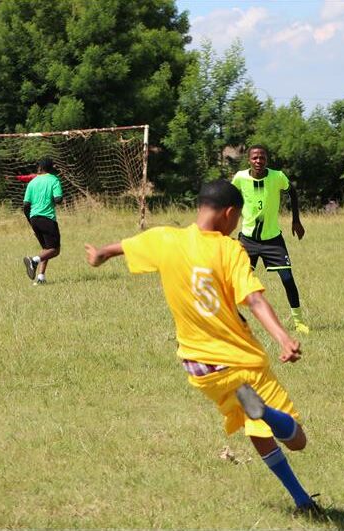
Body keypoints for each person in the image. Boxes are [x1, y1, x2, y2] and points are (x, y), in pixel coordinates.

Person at [84, 179, 320, 514]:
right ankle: (265, 412)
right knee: (297, 440)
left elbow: (117, 248)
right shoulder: (229, 250)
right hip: (241, 363)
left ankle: (302, 500)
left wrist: (98, 255)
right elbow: (253, 299)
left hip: (200, 368)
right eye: (237, 219)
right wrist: (284, 337)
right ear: (229, 213)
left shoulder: (165, 239)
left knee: (255, 431)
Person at [232, 145, 309, 334]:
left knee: (288, 278)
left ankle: (299, 322)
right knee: (237, 281)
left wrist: (296, 220)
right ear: (249, 160)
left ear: (267, 159)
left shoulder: (277, 177)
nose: (258, 161)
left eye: (262, 157)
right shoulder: (240, 178)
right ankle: (231, 323)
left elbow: (292, 192)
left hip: (273, 239)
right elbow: (229, 198)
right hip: (248, 240)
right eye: (255, 158)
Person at [22, 158, 63, 285]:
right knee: (55, 250)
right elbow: (58, 199)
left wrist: (31, 223)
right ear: (51, 167)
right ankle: (34, 261)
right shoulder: (54, 179)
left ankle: (41, 278)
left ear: (40, 167)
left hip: (34, 219)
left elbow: (26, 205)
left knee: (46, 249)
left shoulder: (32, 182)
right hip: (47, 218)